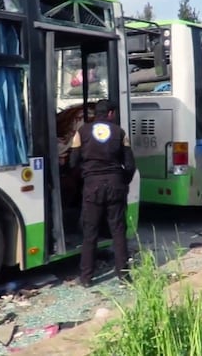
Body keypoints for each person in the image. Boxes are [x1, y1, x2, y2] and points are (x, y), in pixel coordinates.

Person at [69, 100, 136, 287]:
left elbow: (73, 162)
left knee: (90, 233)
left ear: (94, 114)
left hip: (92, 187)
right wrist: (123, 181)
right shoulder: (120, 132)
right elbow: (130, 165)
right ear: (111, 114)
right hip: (116, 185)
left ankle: (86, 278)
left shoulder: (81, 132)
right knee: (118, 231)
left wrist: (86, 177)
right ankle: (123, 275)